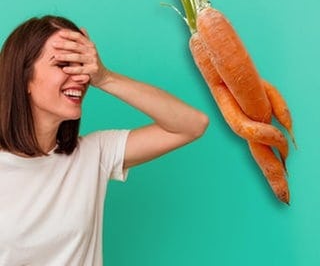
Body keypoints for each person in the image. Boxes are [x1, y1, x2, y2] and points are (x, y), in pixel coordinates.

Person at [0, 15, 209, 265]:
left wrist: (105, 77)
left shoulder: (94, 154)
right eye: (63, 64)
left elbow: (192, 125)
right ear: (24, 79)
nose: (80, 77)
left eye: (81, 65)